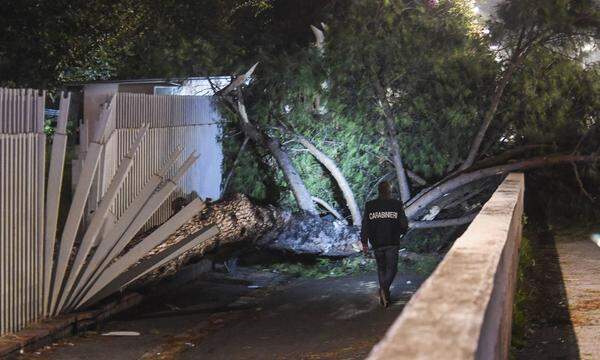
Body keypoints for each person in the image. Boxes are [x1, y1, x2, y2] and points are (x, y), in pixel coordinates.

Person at [360, 181, 409, 308]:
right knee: (392, 269)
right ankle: (384, 290)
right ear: (389, 191)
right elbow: (404, 224)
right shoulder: (396, 204)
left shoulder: (370, 205)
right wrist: (401, 232)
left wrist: (364, 242)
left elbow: (365, 224)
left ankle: (384, 297)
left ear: (379, 190)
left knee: (382, 268)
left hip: (376, 242)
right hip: (391, 241)